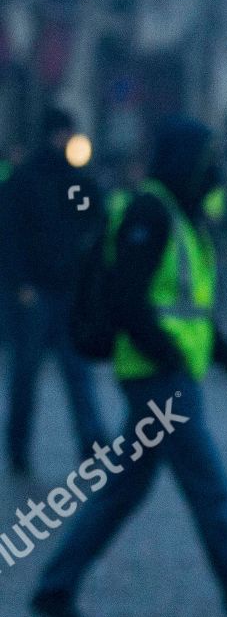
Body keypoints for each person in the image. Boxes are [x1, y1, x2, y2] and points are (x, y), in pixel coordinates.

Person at [30, 118, 227, 617]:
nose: (215, 169)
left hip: (164, 378)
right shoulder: (151, 211)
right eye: (208, 158)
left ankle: (55, 588)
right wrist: (170, 359)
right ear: (187, 160)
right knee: (210, 490)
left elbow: (194, 312)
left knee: (122, 492)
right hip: (160, 381)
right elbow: (129, 300)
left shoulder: (183, 218)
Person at [4, 106, 107, 477]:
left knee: (75, 372)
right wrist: (21, 284)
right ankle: (19, 446)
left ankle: (91, 443)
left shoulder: (69, 180)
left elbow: (92, 215)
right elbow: (11, 237)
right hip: (37, 292)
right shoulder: (26, 180)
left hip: (65, 291)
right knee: (27, 375)